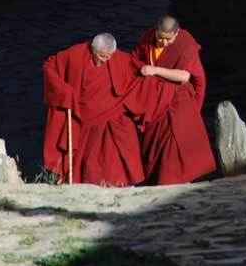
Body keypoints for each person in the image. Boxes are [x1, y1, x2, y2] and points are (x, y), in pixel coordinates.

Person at [41, 32, 173, 186]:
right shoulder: (75, 54)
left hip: (113, 110)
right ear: (93, 49)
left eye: (108, 57)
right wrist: (64, 90)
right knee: (88, 159)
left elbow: (135, 67)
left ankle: (124, 185)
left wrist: (150, 72)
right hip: (84, 115)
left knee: (125, 145)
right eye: (101, 56)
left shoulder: (117, 57)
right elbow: (49, 65)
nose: (105, 61)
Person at [132, 16, 216, 184]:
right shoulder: (147, 39)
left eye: (167, 39)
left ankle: (173, 183)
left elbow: (185, 76)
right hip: (155, 101)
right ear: (155, 31)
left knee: (173, 148)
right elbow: (134, 59)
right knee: (152, 145)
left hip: (177, 101)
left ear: (176, 34)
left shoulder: (185, 45)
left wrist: (155, 70)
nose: (162, 42)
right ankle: (155, 181)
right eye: (160, 37)